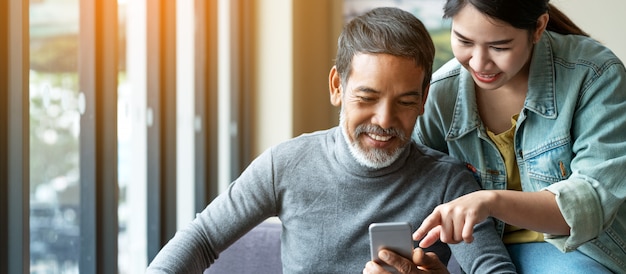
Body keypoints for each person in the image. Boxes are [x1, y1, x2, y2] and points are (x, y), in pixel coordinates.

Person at [146, 7, 516, 274]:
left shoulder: (448, 183)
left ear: (423, 101)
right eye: (367, 98)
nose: (384, 121)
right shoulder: (286, 165)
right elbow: (204, 238)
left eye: (404, 102)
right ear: (337, 87)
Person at [369, 0, 626, 273]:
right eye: (464, 41)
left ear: (538, 27)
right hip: (478, 249)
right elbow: (407, 183)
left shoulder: (594, 74)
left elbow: (590, 202)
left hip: (572, 249)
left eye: (499, 47)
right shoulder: (442, 94)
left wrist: (490, 202)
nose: (479, 63)